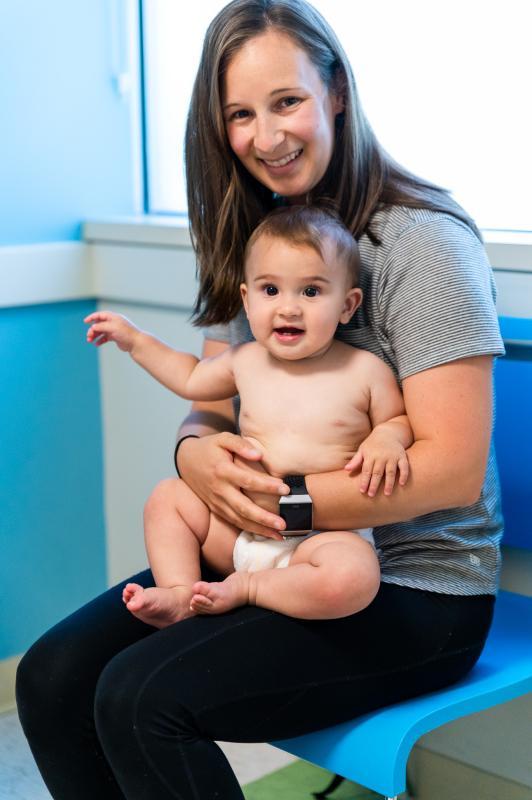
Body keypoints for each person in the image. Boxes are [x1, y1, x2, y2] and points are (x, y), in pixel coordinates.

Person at [16, 1, 504, 798]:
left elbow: (448, 474)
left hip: (414, 583)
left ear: (336, 92)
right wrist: (193, 453)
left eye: (286, 101)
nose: (266, 136)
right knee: (51, 678)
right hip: (267, 547)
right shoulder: (258, 239)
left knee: (140, 698)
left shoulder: (425, 244)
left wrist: (288, 509)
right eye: (240, 114)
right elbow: (208, 401)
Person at [84, 206, 413, 627]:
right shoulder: (245, 360)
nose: (288, 308)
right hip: (240, 529)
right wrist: (136, 341)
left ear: (347, 305)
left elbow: (398, 421)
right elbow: (189, 377)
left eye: (310, 292)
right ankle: (181, 592)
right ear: (247, 298)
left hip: (324, 537)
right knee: (168, 498)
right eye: (270, 290)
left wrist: (386, 439)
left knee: (354, 577)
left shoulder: (365, 371)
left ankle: (249, 588)